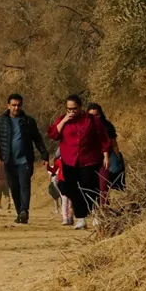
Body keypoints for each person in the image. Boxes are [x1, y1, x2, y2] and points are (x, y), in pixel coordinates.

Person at [48, 95, 111, 229]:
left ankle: (93, 212)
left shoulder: (91, 120)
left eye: (74, 109)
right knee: (70, 188)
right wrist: (64, 121)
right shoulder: (63, 120)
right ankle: (81, 217)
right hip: (69, 160)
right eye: (69, 109)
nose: (72, 112)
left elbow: (103, 138)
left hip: (89, 160)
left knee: (89, 187)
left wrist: (105, 155)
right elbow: (53, 135)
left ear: (81, 107)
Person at [0, 94, 49, 224]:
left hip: (25, 160)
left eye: (19, 105)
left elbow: (37, 139)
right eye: (14, 105)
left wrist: (44, 155)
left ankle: (24, 211)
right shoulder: (0, 121)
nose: (16, 108)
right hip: (8, 160)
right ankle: (19, 212)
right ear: (8, 106)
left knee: (24, 185)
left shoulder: (28, 121)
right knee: (14, 187)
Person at [86, 102, 123, 204]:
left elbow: (114, 144)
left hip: (105, 161)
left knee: (103, 187)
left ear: (101, 114)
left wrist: (118, 158)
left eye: (97, 115)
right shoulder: (83, 128)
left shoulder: (107, 127)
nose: (95, 118)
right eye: (91, 115)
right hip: (89, 162)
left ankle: (104, 210)